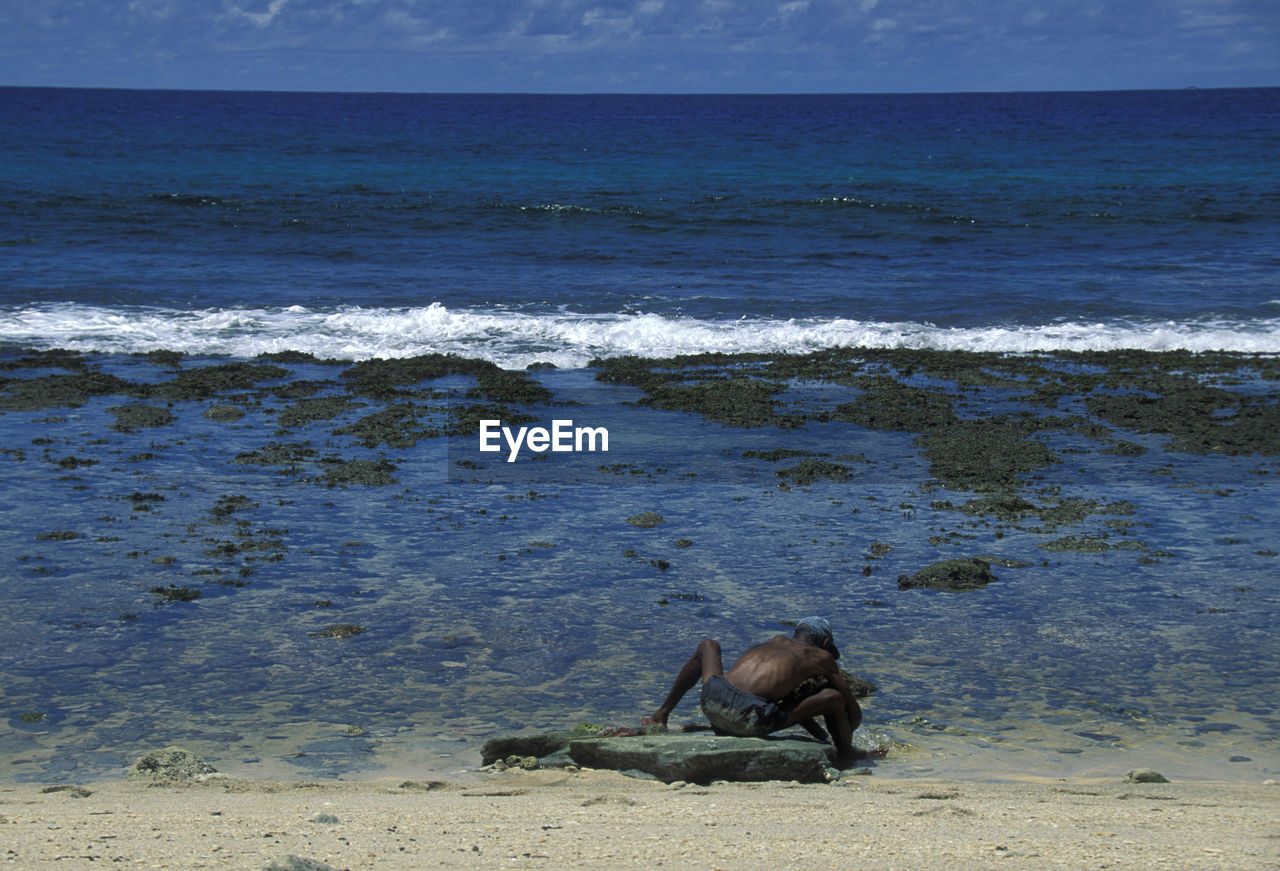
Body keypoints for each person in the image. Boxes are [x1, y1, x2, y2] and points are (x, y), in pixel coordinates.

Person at [642, 617, 863, 767]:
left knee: (708, 645)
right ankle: (846, 755)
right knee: (832, 697)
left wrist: (821, 736)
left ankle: (660, 715)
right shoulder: (821, 658)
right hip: (747, 715)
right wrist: (845, 739)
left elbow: (789, 702)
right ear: (825, 643)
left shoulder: (776, 642)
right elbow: (848, 705)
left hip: (712, 699)